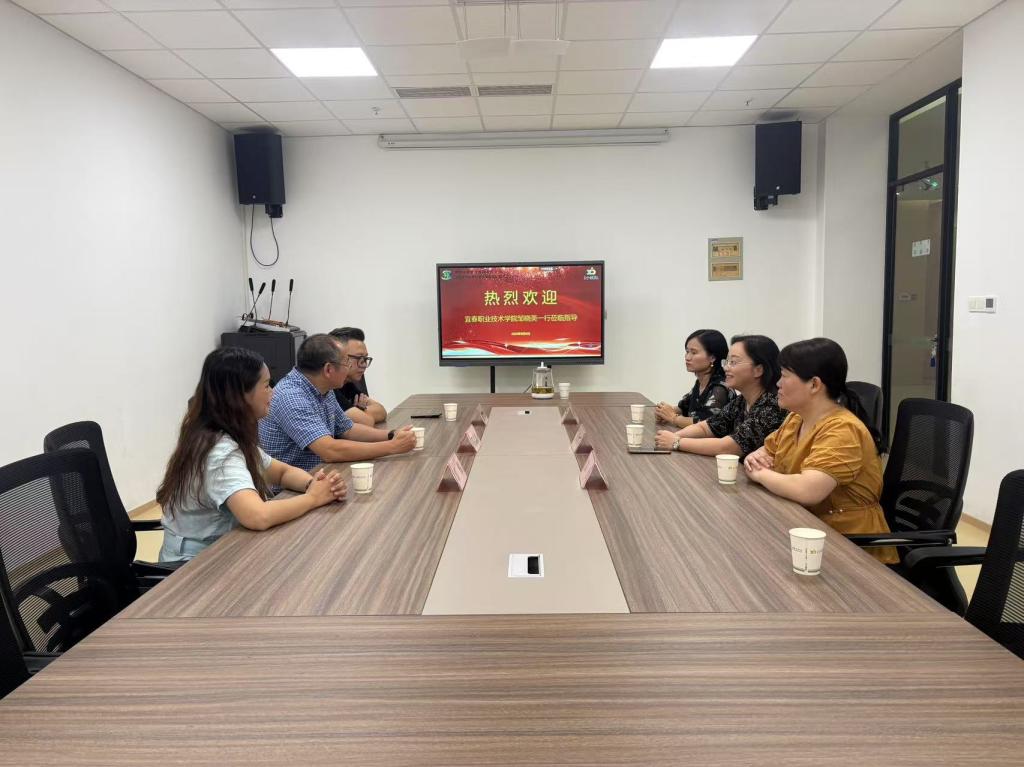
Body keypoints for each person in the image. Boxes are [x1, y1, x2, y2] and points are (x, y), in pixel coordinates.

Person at [156, 347, 348, 563]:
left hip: (225, 548)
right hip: (194, 565)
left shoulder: (227, 435)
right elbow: (258, 516)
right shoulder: (219, 451)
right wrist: (313, 498)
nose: (272, 392)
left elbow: (281, 472)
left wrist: (313, 484)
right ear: (240, 395)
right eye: (266, 386)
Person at [743, 338, 898, 564]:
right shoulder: (796, 418)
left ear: (814, 384)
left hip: (850, 547)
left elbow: (808, 490)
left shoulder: (842, 429)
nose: (778, 383)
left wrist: (760, 473)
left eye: (785, 376)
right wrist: (756, 459)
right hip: (806, 531)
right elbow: (765, 452)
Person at [259, 334, 415, 472]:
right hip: (293, 488)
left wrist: (392, 434)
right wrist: (393, 446)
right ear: (328, 370)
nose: (349, 369)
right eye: (346, 363)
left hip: (324, 474)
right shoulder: (291, 397)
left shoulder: (324, 388)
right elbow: (329, 450)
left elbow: (348, 429)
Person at [655, 334, 785, 458]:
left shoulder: (773, 405)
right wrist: (673, 436)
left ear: (758, 370)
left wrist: (677, 442)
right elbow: (706, 427)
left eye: (733, 362)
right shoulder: (741, 401)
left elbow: (729, 447)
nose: (726, 368)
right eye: (726, 361)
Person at [655, 329, 731, 429]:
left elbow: (706, 424)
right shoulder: (701, 382)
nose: (687, 357)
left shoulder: (720, 388)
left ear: (712, 357)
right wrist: (664, 411)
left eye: (694, 353)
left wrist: (673, 418)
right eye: (687, 351)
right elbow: (683, 408)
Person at [328, 326, 386, 425]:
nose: (364, 364)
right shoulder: (329, 386)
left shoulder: (347, 383)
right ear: (338, 356)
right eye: (359, 358)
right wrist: (359, 414)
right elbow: (364, 420)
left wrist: (359, 412)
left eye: (365, 358)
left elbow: (381, 411)